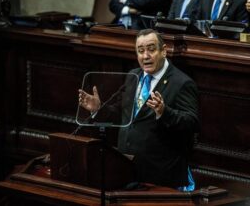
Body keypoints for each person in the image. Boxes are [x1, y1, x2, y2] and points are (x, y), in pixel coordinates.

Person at [78, 29, 199, 190]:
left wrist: (164, 112)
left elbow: (191, 123)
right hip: (126, 170)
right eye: (140, 51)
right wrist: (98, 108)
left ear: (163, 51)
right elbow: (120, 113)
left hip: (160, 177)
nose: (145, 56)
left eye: (151, 49)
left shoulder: (181, 82)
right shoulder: (133, 76)